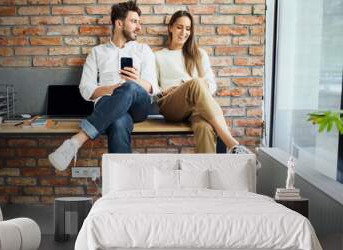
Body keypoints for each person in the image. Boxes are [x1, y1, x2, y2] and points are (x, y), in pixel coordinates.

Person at [48, 1, 158, 171]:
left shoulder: (143, 50)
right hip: (108, 106)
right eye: (134, 22)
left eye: (139, 22)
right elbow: (86, 89)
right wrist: (111, 89)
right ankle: (121, 187)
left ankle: (77, 140)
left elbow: (152, 87)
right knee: (119, 122)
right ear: (119, 23)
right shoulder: (97, 52)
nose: (139, 27)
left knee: (128, 87)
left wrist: (135, 80)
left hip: (138, 105)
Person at [154, 10, 252, 154]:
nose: (183, 32)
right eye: (179, 27)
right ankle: (232, 143)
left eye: (188, 29)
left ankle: (207, 174)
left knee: (204, 126)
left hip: (196, 107)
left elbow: (211, 85)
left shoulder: (199, 55)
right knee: (196, 83)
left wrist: (198, 86)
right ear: (171, 28)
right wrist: (164, 91)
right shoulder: (158, 56)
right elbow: (153, 89)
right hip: (171, 105)